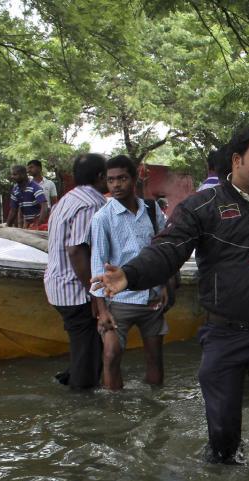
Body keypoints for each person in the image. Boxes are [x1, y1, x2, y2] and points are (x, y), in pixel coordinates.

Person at [91, 127, 249, 465]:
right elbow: (169, 247)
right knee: (223, 431)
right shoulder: (203, 206)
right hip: (223, 332)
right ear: (237, 160)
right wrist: (131, 274)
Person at [90, 155, 170, 390]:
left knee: (155, 359)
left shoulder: (153, 211)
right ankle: (114, 412)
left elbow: (164, 250)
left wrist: (164, 284)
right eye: (111, 180)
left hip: (152, 298)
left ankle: (156, 408)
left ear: (134, 179)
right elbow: (98, 266)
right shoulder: (102, 218)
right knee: (111, 356)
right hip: (119, 300)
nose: (116, 185)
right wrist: (102, 311)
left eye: (122, 178)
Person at [44, 153, 108, 390]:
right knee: (88, 354)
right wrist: (95, 295)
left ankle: (69, 380)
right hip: (76, 290)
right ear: (101, 177)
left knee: (86, 348)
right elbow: (76, 250)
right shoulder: (91, 203)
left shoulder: (66, 200)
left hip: (59, 286)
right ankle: (82, 409)